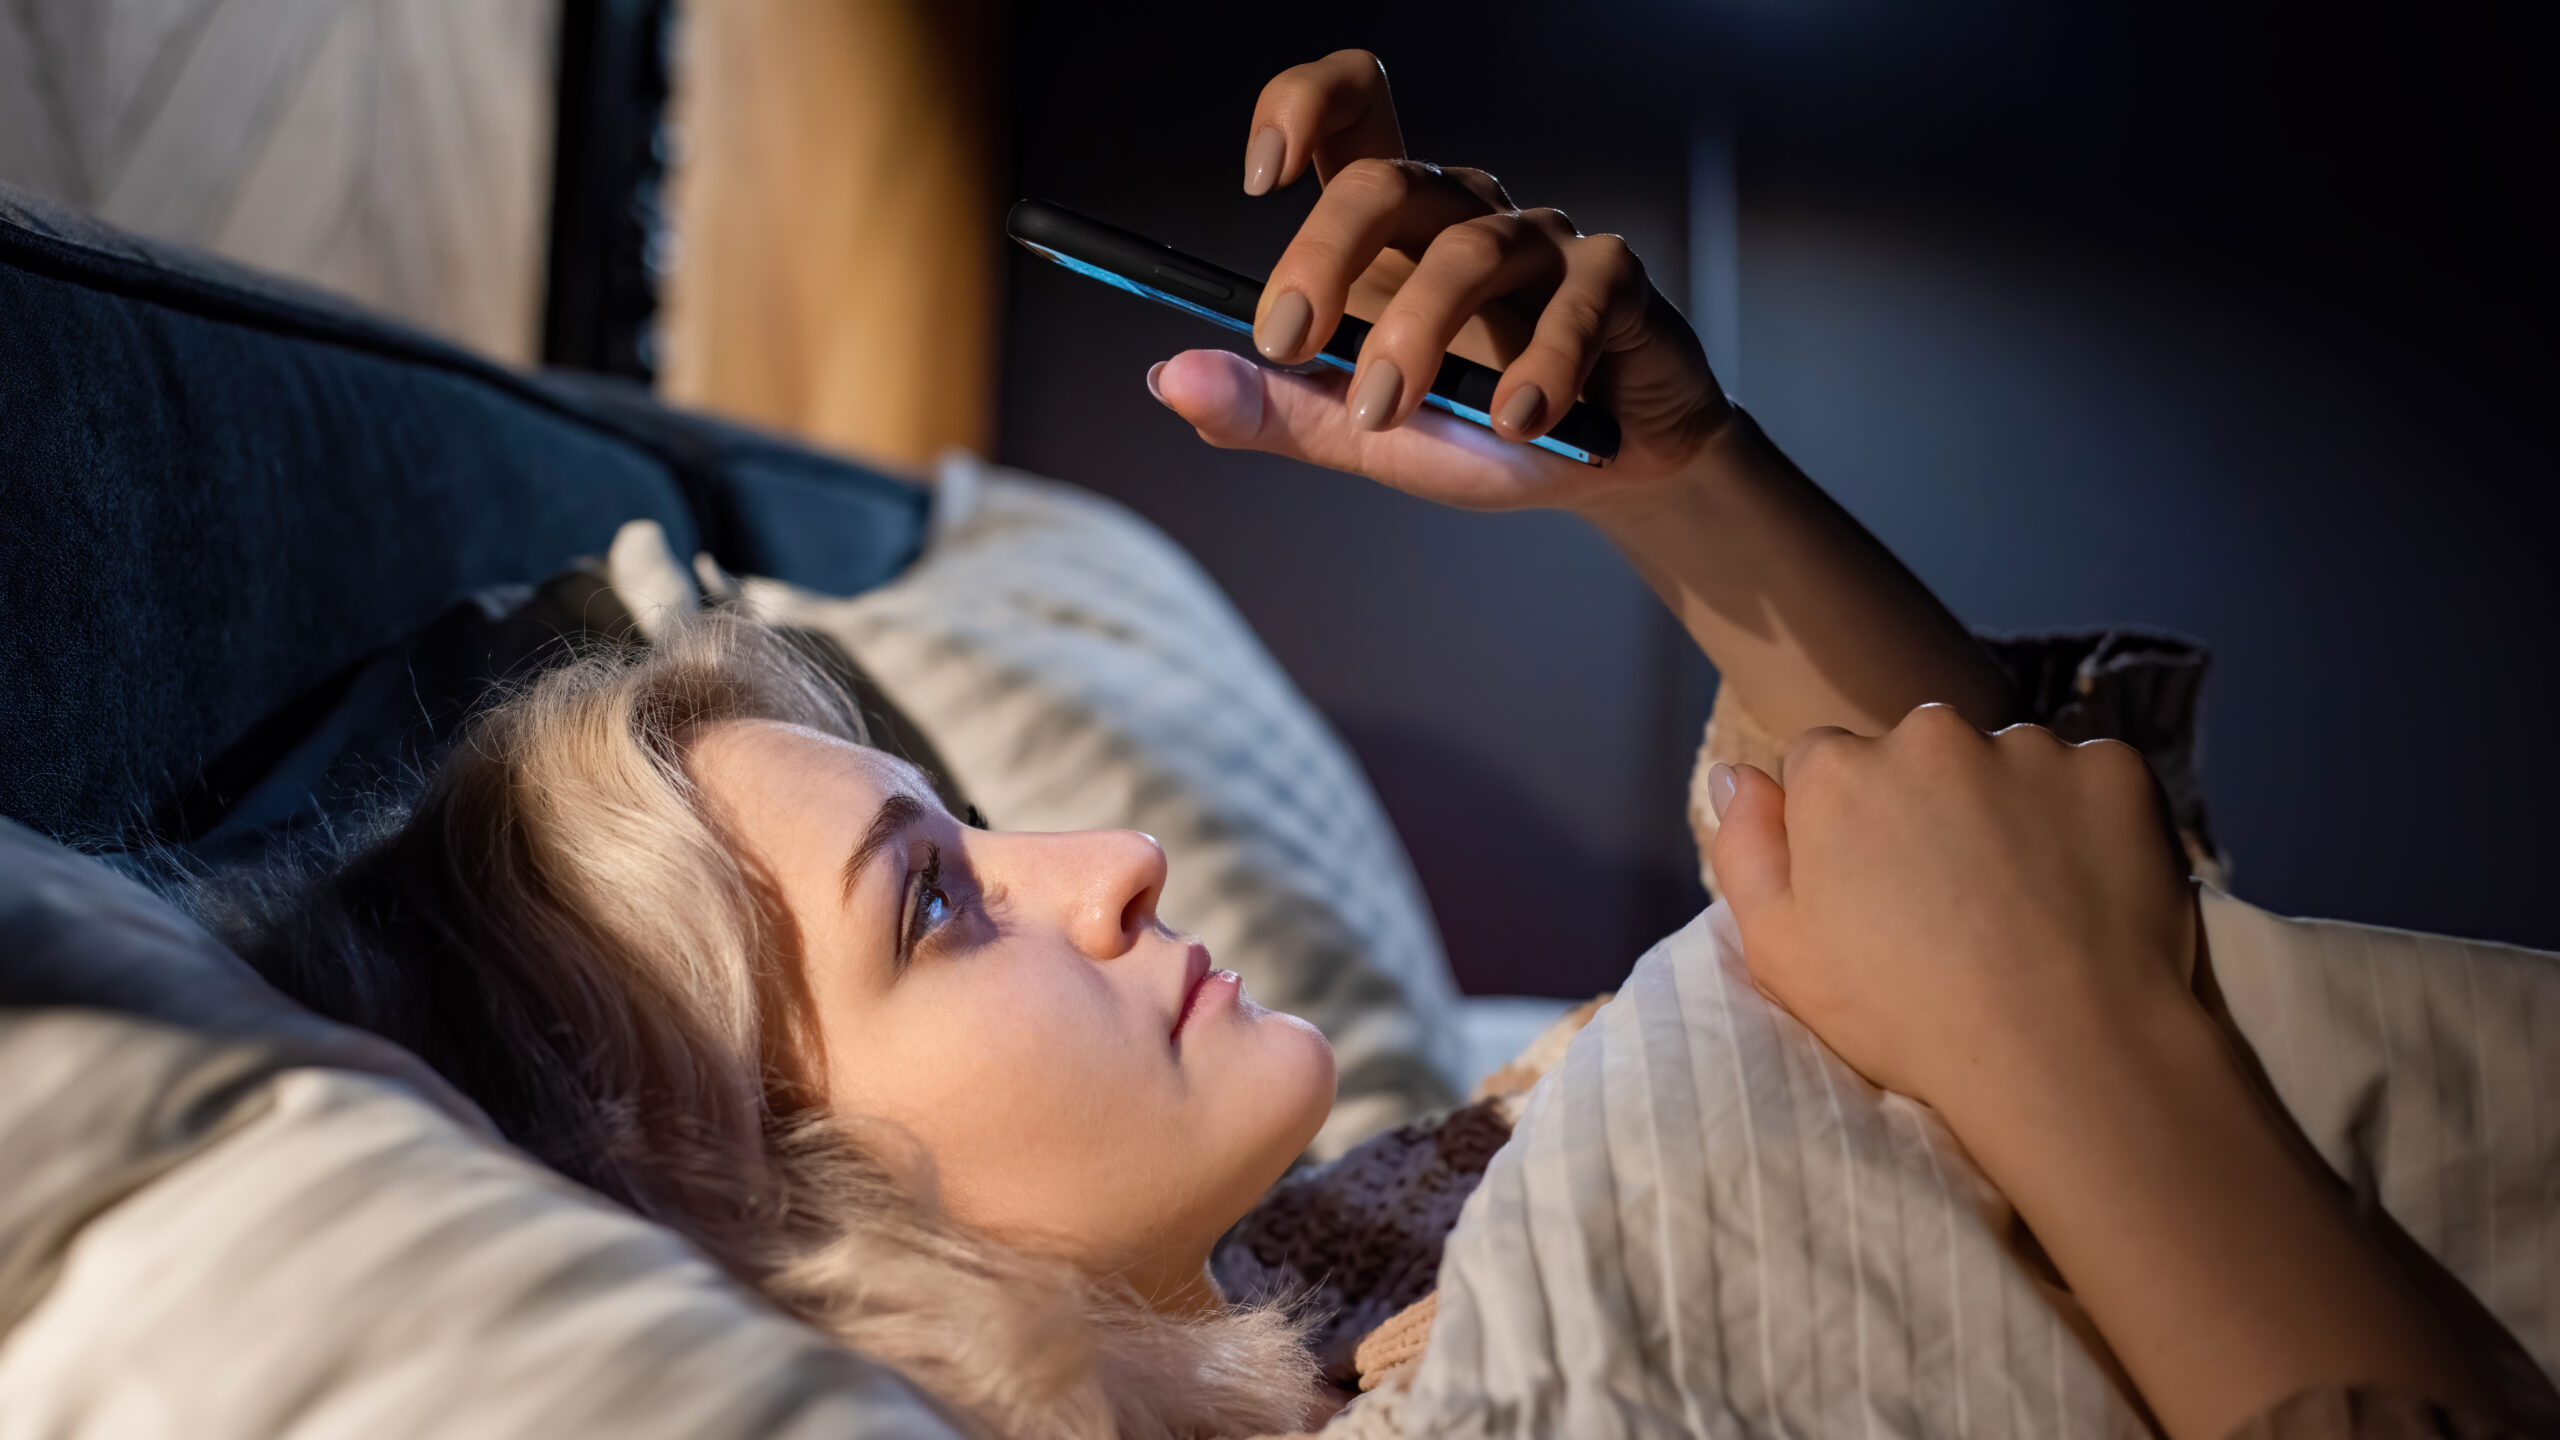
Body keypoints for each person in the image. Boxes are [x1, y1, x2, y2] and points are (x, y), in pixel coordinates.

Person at [208, 49, 2528, 1440]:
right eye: (934, 903)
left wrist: (1676, 480)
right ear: (766, 1238)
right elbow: (2060, 980)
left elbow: (1975, 840)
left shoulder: (1310, 1276)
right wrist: (2085, 1052)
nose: (1107, 857)